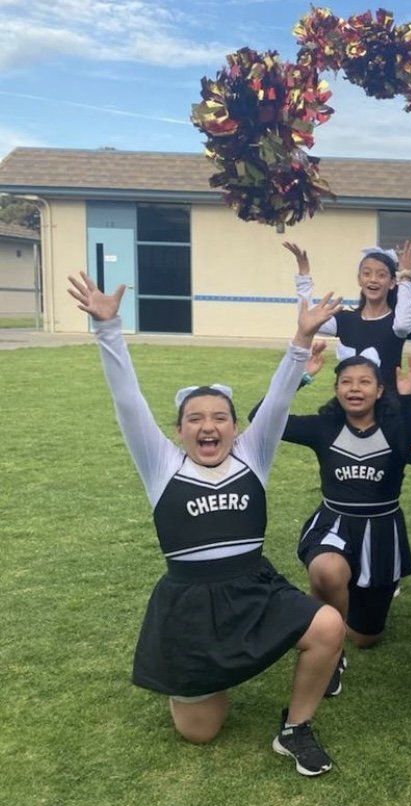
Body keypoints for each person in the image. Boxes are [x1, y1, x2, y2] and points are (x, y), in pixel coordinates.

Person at [67, 270, 346, 777]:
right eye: (195, 418)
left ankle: (296, 728)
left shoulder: (252, 456)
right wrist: (108, 330)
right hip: (191, 602)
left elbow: (280, 400)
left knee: (328, 625)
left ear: (236, 428)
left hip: (251, 588)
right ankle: (206, 673)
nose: (208, 426)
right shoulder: (162, 465)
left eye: (219, 416)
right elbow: (127, 402)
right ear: (179, 431)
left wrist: (301, 338)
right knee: (201, 732)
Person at [251, 348, 411, 698]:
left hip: (381, 533)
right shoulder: (324, 426)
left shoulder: (393, 426)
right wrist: (300, 377)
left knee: (366, 638)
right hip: (335, 523)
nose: (354, 388)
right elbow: (261, 417)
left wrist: (408, 398)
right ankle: (328, 650)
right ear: (336, 390)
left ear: (380, 390)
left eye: (365, 382)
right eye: (346, 381)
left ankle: (320, 617)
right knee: (327, 572)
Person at [286, 240, 411, 374]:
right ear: (359, 279)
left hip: (386, 395)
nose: (373, 279)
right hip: (347, 394)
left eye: (381, 275)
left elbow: (403, 326)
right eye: (366, 273)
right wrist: (303, 276)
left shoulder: (396, 322)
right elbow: (307, 319)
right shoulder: (346, 320)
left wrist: (405, 278)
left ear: (392, 283)